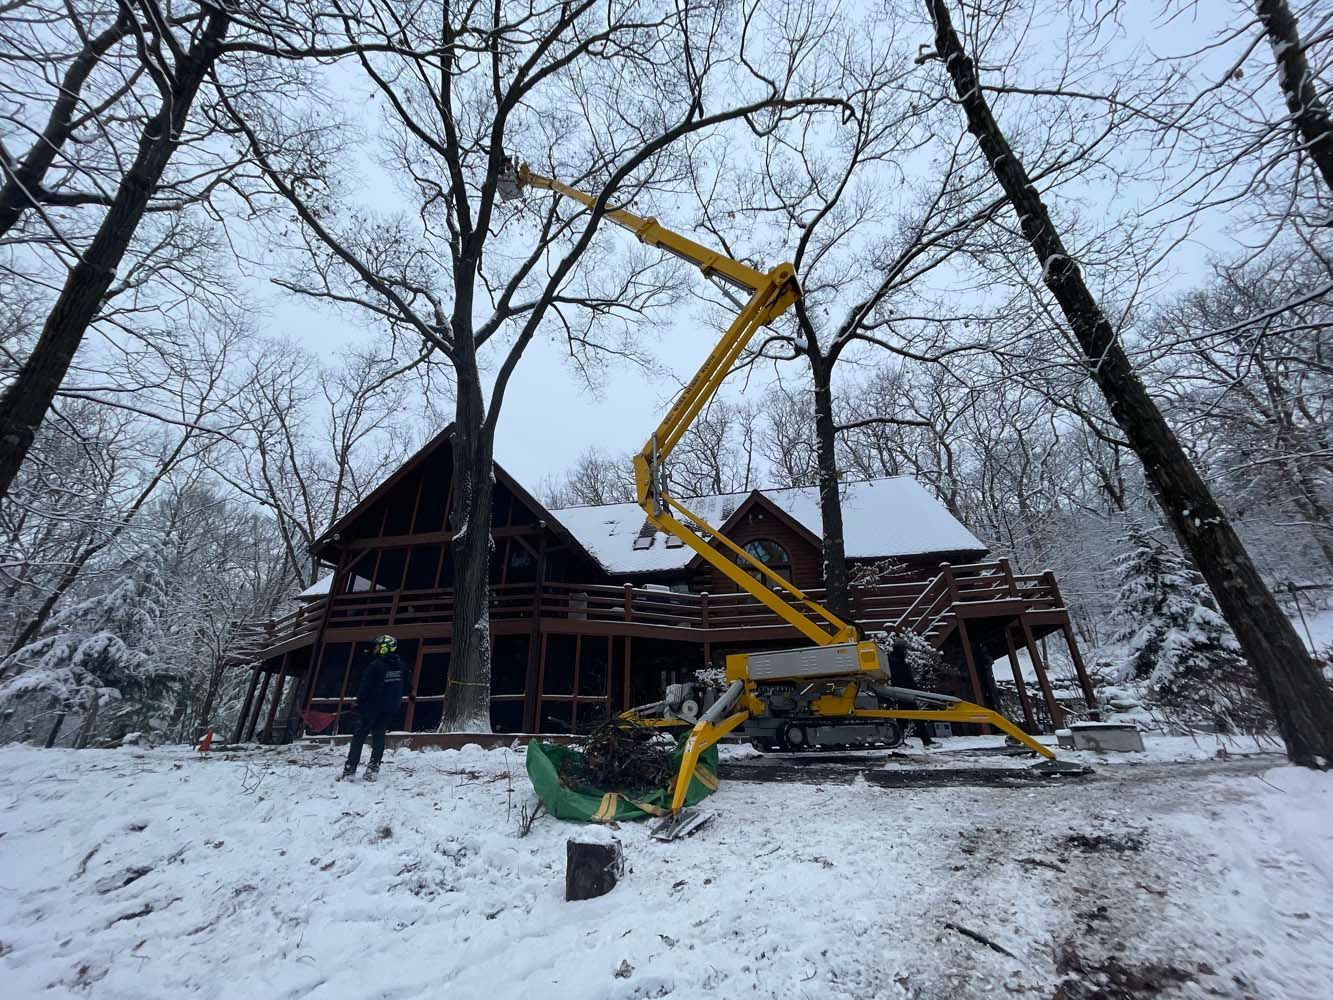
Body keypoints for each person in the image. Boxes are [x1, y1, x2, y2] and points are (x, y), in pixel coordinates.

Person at [340, 634, 407, 781]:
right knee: (379, 737)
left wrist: (359, 702)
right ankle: (373, 769)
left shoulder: (376, 666)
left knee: (359, 737)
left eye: (377, 646)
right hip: (389, 708)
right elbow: (404, 685)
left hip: (371, 708)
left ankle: (350, 769)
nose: (375, 648)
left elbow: (365, 687)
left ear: (385, 648)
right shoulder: (401, 666)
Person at [886, 636, 935, 748]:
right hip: (905, 691)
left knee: (903, 718)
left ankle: (900, 741)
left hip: (903, 691)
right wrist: (915, 689)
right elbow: (905, 678)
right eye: (904, 648)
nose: (906, 651)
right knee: (914, 717)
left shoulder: (894, 659)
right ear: (900, 649)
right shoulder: (897, 661)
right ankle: (925, 741)